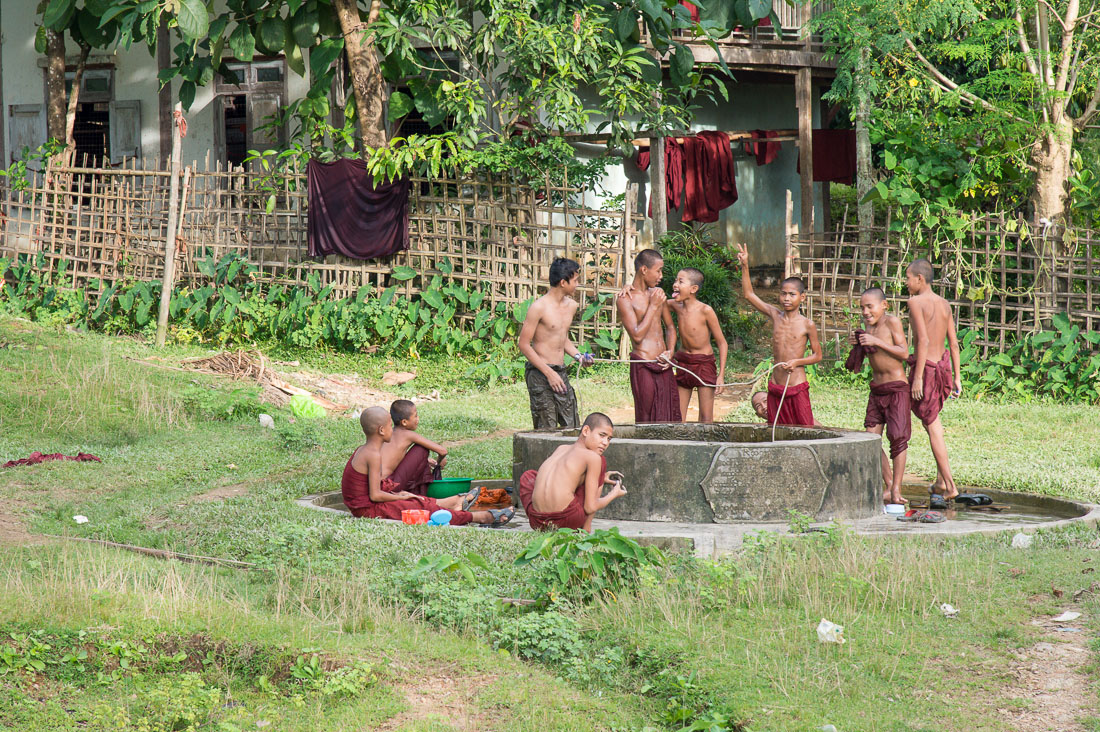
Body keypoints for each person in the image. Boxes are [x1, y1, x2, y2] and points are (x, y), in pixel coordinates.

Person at [342, 407, 514, 526]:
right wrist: (401, 497)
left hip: (368, 504)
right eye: (389, 427)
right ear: (381, 430)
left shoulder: (365, 450)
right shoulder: (373, 454)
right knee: (418, 508)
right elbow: (375, 495)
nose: (392, 431)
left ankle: (452, 504)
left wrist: (400, 495)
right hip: (368, 510)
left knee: (415, 500)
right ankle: (480, 517)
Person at [736, 244, 822, 426]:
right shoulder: (775, 315)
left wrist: (797, 362)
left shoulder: (807, 324)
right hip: (776, 384)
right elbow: (749, 294)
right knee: (777, 429)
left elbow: (817, 355)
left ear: (802, 297)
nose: (786, 298)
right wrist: (745, 265)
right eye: (783, 294)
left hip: (796, 384)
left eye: (792, 294)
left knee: (805, 428)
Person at [847, 287, 911, 506]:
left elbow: (904, 352)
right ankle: (889, 482)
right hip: (876, 389)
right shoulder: (867, 327)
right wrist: (858, 345)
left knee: (898, 439)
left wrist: (877, 342)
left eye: (869, 306)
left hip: (897, 388)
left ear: (884, 305)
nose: (865, 312)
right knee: (870, 440)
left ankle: (896, 490)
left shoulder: (891, 322)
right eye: (862, 307)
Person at [905, 258, 962, 501]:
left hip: (927, 369)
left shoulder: (915, 302)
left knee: (932, 425)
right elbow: (954, 343)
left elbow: (924, 341)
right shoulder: (944, 303)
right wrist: (958, 377)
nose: (905, 282)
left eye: (907, 278)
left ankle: (949, 485)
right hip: (943, 367)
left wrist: (917, 378)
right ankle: (940, 481)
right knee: (932, 421)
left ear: (919, 278)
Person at [518, 257, 593, 430]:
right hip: (539, 373)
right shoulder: (539, 307)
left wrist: (578, 356)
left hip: (561, 372)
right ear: (562, 282)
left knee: (572, 427)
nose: (577, 284)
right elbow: (523, 344)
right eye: (575, 280)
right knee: (546, 429)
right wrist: (548, 373)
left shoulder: (572, 306)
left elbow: (561, 337)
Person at [518, 412, 626, 531]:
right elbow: (590, 507)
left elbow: (564, 478)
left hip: (537, 521)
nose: (605, 443)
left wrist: (601, 477)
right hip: (565, 520)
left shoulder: (561, 448)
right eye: (602, 435)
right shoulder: (593, 458)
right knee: (601, 461)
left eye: (609, 439)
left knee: (528, 476)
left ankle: (546, 524)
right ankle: (586, 529)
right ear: (585, 431)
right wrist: (614, 493)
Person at [617, 249, 681, 422]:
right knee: (646, 418)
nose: (661, 276)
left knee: (668, 416)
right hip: (644, 364)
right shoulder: (625, 299)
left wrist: (670, 351)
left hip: (664, 363)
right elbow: (637, 336)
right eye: (658, 270)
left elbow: (670, 327)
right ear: (644, 270)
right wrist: (653, 307)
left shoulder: (657, 294)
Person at [667, 267, 728, 422]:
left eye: (680, 281)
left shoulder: (705, 310)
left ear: (693, 289)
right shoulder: (675, 306)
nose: (675, 284)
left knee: (706, 418)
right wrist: (629, 287)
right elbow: (652, 300)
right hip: (683, 363)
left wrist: (720, 376)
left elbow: (722, 343)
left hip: (704, 364)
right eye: (675, 280)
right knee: (678, 418)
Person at [378, 399, 445, 496]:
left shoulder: (390, 433)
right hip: (389, 486)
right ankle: (420, 494)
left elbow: (395, 459)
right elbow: (442, 451)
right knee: (422, 449)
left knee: (422, 455)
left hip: (378, 485)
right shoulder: (408, 435)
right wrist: (439, 462)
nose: (418, 419)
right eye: (415, 416)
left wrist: (426, 461)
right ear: (404, 422)